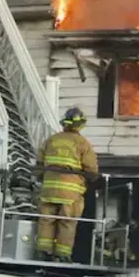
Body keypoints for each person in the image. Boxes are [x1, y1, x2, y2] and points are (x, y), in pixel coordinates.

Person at [35, 107, 98, 263]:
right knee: (67, 222)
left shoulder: (52, 140)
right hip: (70, 193)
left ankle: (43, 252)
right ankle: (62, 255)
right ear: (80, 125)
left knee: (46, 220)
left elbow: (39, 165)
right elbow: (91, 169)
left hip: (49, 190)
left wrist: (41, 178)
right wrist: (92, 178)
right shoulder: (83, 143)